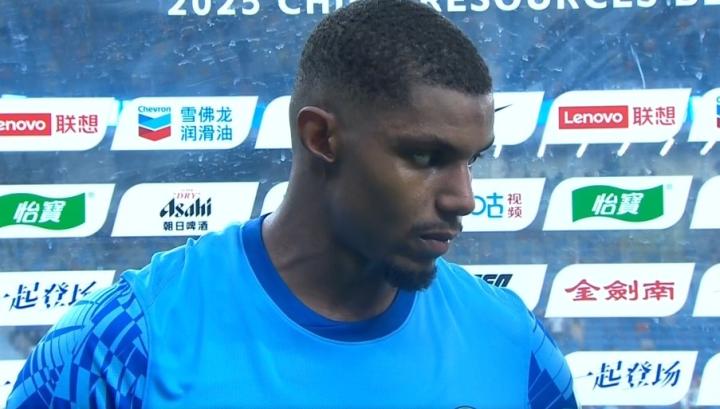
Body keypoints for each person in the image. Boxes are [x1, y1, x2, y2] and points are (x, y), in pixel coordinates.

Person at [7, 1, 579, 407]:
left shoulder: (513, 343)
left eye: (472, 160)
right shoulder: (122, 343)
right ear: (320, 137)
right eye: (425, 156)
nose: (464, 198)